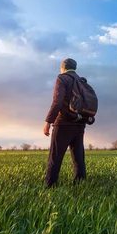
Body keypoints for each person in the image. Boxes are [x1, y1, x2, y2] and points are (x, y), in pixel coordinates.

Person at [43, 58, 87, 187]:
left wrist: (48, 121)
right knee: (78, 156)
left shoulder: (62, 78)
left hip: (64, 122)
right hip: (80, 122)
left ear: (63, 68)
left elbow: (57, 101)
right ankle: (80, 185)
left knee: (55, 156)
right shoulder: (82, 81)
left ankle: (50, 186)